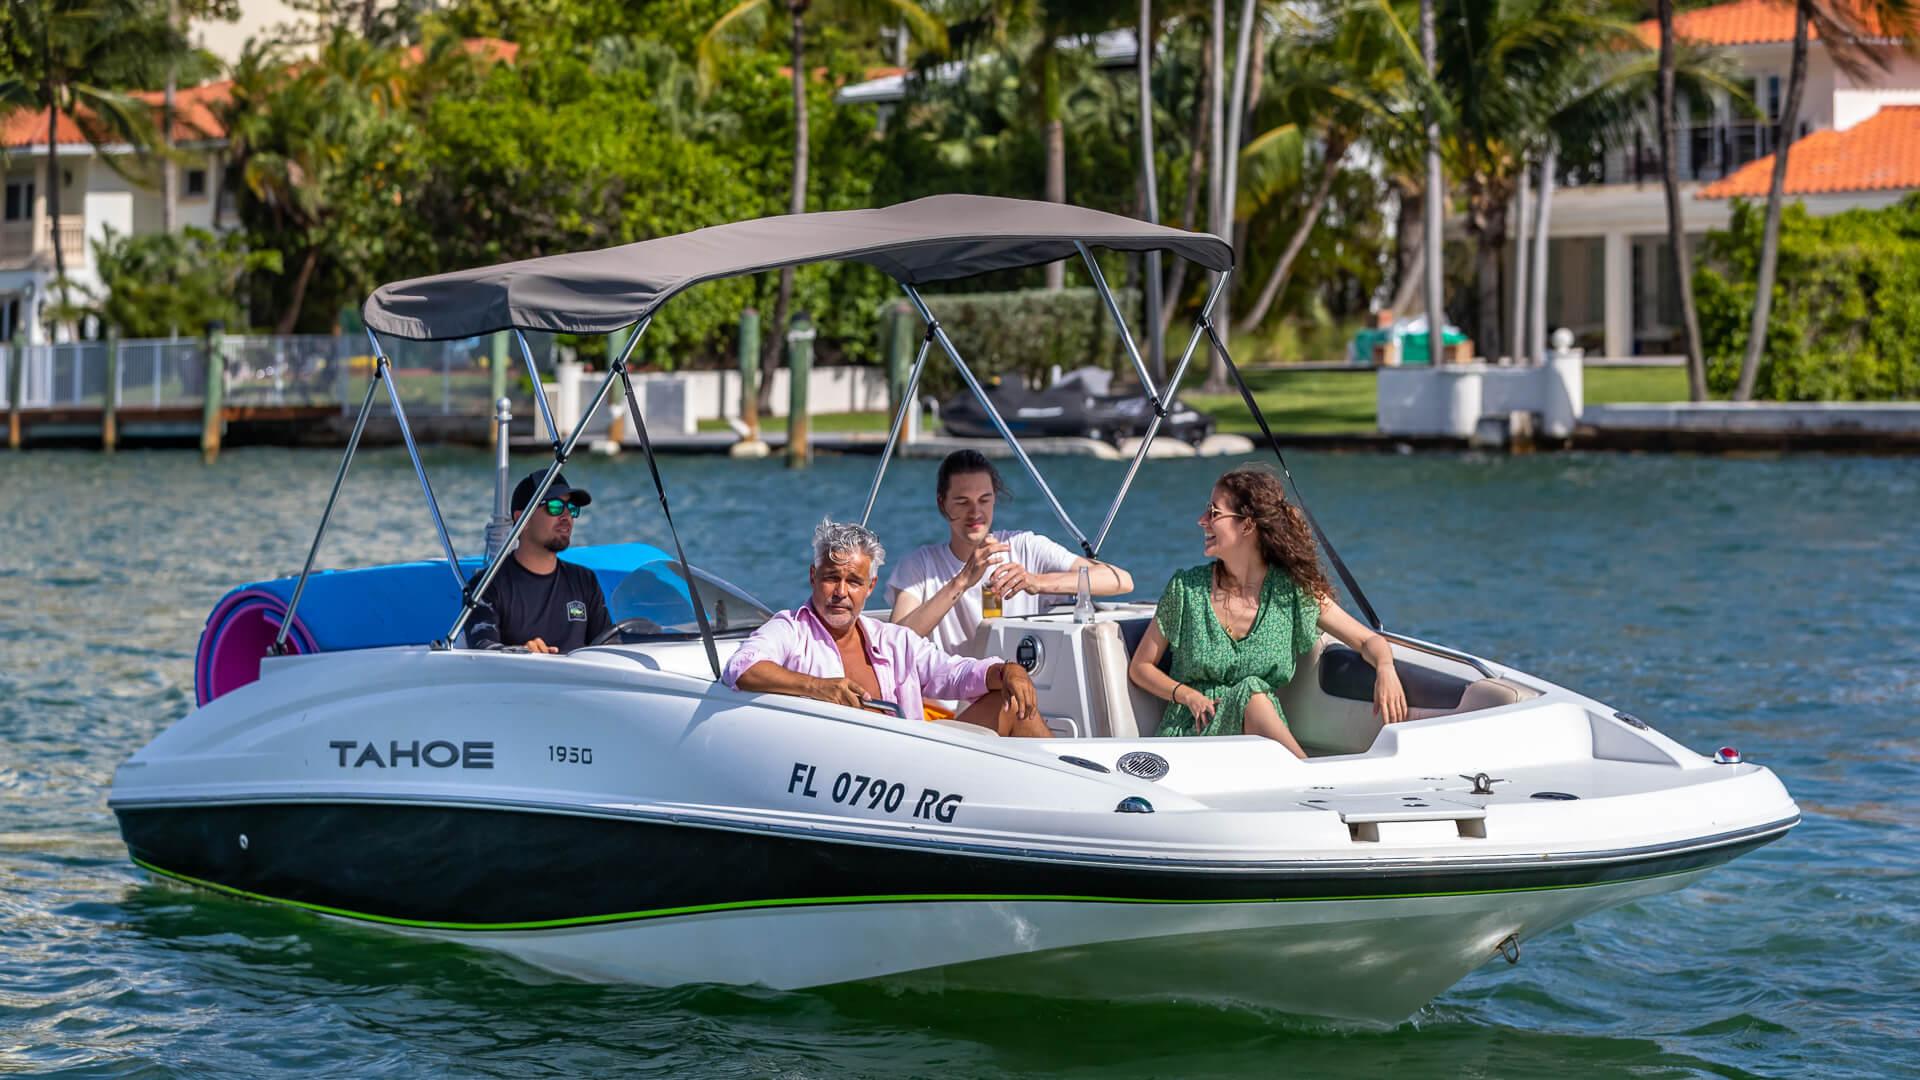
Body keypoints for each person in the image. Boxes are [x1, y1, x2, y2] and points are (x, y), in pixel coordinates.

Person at [1128, 466, 1408, 758]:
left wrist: (1386, 669)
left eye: (1213, 513)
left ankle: (1305, 776)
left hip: (1260, 747)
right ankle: (1306, 775)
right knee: (1251, 692)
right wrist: (1187, 695)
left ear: (1247, 525)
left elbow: (1367, 641)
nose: (1201, 521)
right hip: (1194, 732)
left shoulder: (1291, 593)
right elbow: (1141, 667)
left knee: (1251, 692)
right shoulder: (1185, 590)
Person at [726, 520, 1050, 738]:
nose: (841, 592)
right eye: (830, 578)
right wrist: (817, 687)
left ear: (870, 587)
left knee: (1011, 700)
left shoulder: (894, 640)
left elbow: (954, 674)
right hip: (832, 774)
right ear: (813, 577)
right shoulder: (791, 629)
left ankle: (1068, 811)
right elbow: (741, 668)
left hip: (912, 770)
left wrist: (1009, 671)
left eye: (853, 581)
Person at [888, 450, 1134, 656]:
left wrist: (1036, 581)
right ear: (942, 504)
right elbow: (895, 642)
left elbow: (1120, 581)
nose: (975, 512)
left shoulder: (1025, 546)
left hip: (1015, 693)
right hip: (947, 704)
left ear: (995, 498)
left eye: (984, 500)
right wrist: (962, 581)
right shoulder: (919, 565)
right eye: (963, 502)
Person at [465, 470, 612, 653]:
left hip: (578, 682)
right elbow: (482, 649)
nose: (566, 517)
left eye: (572, 508)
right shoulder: (486, 586)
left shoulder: (585, 581)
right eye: (555, 507)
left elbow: (609, 649)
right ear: (522, 519)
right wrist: (523, 653)